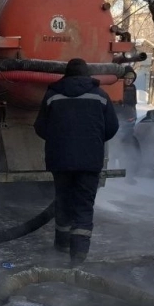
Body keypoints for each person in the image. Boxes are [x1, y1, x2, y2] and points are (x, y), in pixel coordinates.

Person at [34, 58, 119, 266]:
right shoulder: (100, 95)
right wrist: (94, 141)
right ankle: (78, 256)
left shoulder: (52, 95)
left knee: (63, 201)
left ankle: (61, 246)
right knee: (83, 205)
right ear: (87, 74)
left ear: (66, 74)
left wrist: (57, 141)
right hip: (90, 161)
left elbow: (40, 127)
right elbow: (112, 127)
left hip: (60, 160)